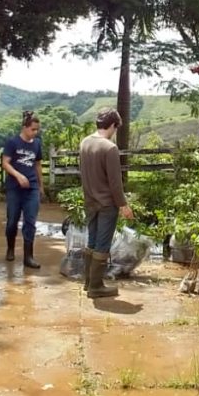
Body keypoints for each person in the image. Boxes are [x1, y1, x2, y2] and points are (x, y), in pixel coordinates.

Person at [78, 108, 133, 299]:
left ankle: (88, 282)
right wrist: (123, 205)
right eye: (116, 128)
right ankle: (96, 287)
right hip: (106, 204)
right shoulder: (109, 148)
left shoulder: (85, 142)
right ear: (112, 125)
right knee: (102, 244)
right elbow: (115, 183)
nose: (115, 132)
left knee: (91, 241)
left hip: (90, 201)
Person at [2, 111, 45, 268]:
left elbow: (38, 164)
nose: (35, 132)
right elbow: (5, 163)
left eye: (37, 130)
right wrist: (18, 176)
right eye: (33, 129)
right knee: (12, 220)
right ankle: (10, 248)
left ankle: (28, 257)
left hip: (31, 188)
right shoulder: (12, 142)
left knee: (30, 221)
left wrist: (41, 186)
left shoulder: (37, 144)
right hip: (14, 188)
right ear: (25, 127)